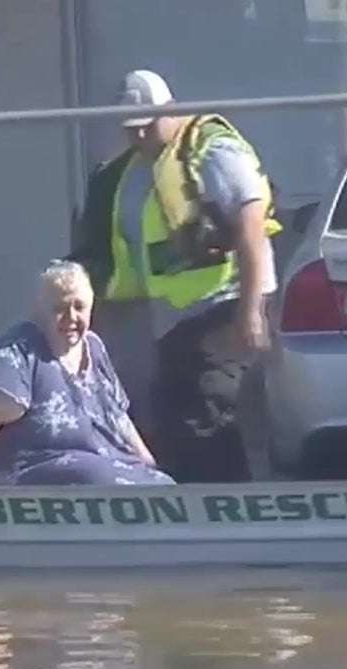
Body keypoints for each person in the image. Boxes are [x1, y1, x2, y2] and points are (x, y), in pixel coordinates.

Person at [67, 69, 283, 483]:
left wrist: (252, 310)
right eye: (131, 129)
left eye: (147, 125)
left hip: (227, 302)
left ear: (169, 109)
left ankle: (225, 507)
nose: (139, 136)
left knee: (211, 403)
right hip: (176, 318)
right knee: (169, 407)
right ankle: (195, 504)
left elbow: (251, 223)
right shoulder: (132, 170)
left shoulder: (210, 148)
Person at [0, 261, 175, 493]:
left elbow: (116, 415)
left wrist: (148, 462)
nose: (71, 317)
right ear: (39, 310)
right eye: (59, 309)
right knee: (98, 478)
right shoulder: (22, 349)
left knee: (163, 485)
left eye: (79, 307)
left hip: (106, 460)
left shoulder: (93, 346)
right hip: (41, 465)